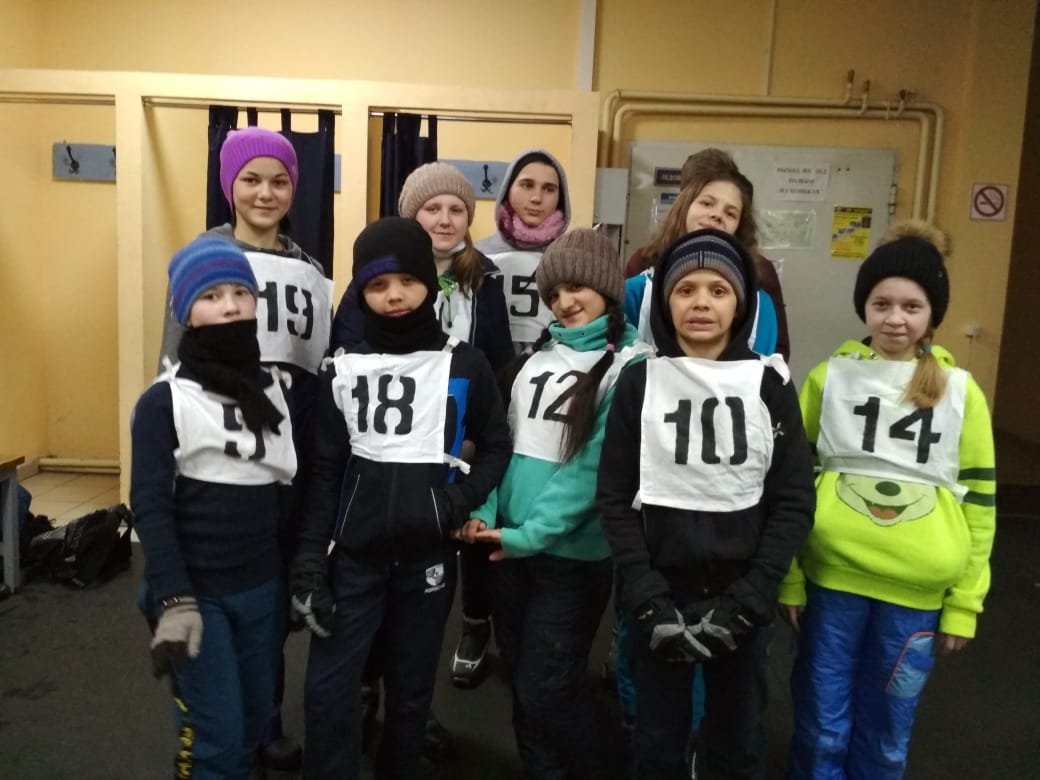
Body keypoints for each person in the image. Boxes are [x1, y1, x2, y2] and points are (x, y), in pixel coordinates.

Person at [290, 217, 512, 780]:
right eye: (377, 284)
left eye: (407, 281)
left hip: (426, 562)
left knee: (411, 695)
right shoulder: (342, 368)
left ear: (428, 284)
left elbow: (496, 445)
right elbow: (324, 472)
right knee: (329, 691)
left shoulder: (465, 363)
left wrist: (458, 502)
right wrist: (311, 561)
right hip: (354, 562)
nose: (393, 295)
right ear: (361, 292)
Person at [780, 220, 997, 779]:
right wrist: (791, 577)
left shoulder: (961, 394)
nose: (895, 319)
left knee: (888, 732)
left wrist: (965, 603)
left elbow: (980, 505)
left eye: (912, 306)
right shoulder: (828, 379)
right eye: (881, 304)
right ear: (864, 307)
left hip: (916, 592)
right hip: (833, 580)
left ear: (933, 314)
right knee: (821, 723)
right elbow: (793, 483)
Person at [597, 228, 816, 779]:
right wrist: (645, 594)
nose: (700, 303)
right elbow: (615, 496)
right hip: (659, 595)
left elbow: (793, 499)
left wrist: (753, 594)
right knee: (656, 743)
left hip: (740, 599)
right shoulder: (639, 383)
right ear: (665, 301)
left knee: (737, 743)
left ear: (740, 303)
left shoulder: (769, 385)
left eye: (718, 291)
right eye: (685, 289)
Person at [158, 125, 333, 770]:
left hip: (286, 453)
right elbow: (171, 362)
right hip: (216, 456)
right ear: (229, 185)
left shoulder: (311, 270)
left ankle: (264, 719)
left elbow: (319, 366)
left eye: (279, 181)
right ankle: (216, 720)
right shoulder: (201, 257)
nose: (266, 192)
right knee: (217, 595)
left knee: (271, 595)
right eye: (251, 179)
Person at [464, 229, 652, 778]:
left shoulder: (632, 366)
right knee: (524, 686)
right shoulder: (534, 359)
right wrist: (485, 510)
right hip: (506, 549)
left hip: (570, 558)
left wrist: (530, 534)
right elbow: (502, 445)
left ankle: (614, 767)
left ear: (606, 289)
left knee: (547, 688)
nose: (565, 302)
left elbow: (593, 470)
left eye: (577, 288)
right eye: (554, 293)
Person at [131, 237, 297, 779]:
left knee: (252, 723)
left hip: (261, 588)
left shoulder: (272, 390)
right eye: (211, 296)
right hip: (196, 595)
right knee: (215, 738)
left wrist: (296, 576)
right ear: (186, 313)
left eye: (241, 293)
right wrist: (174, 599)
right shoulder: (165, 400)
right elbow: (150, 506)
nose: (230, 306)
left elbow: (282, 490)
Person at [622, 148, 790, 361]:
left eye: (730, 213)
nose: (716, 214)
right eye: (707, 203)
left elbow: (776, 350)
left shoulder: (760, 280)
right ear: (684, 206)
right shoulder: (643, 268)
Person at [476, 148, 571, 353]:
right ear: (507, 189)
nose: (536, 198)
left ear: (560, 198)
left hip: (550, 366)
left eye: (549, 189)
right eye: (527, 185)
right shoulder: (477, 255)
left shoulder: (572, 259)